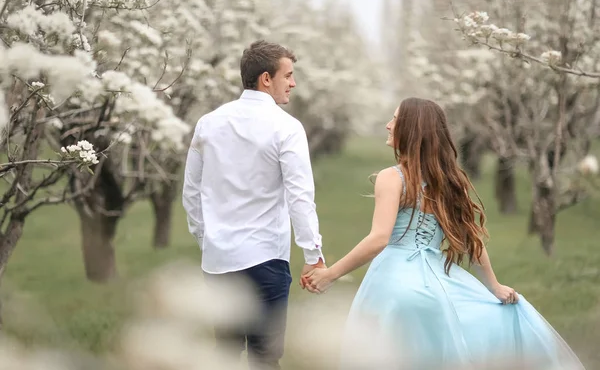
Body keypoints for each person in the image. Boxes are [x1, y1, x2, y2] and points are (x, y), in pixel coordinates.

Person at [304, 98, 585, 369]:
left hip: (394, 284)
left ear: (411, 130)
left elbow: (379, 238)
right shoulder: (449, 180)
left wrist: (330, 275)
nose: (388, 125)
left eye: (395, 120)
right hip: (435, 283)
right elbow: (469, 241)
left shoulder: (392, 177)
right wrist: (495, 287)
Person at [182, 40, 325, 370]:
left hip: (218, 262)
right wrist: (313, 255)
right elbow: (300, 196)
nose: (293, 83)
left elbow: (191, 192)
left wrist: (207, 241)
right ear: (265, 78)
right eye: (287, 75)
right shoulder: (287, 127)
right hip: (266, 260)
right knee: (265, 358)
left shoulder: (208, 122)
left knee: (226, 355)